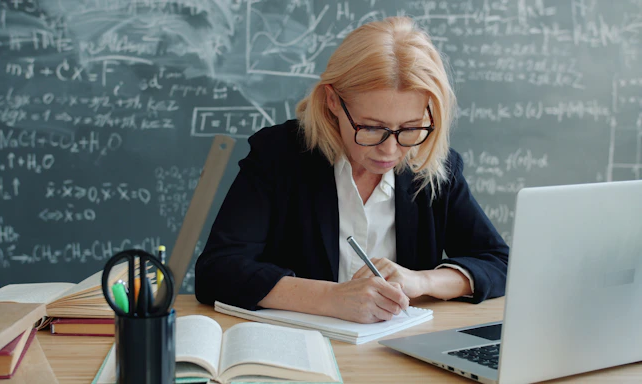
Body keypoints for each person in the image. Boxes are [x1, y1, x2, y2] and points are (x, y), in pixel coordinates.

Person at [195, 16, 509, 324]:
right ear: (333, 101)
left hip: (399, 354)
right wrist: (331, 298)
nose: (389, 150)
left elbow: (499, 262)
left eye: (410, 128)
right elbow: (217, 270)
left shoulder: (432, 167)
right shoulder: (279, 156)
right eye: (371, 128)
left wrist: (422, 281)